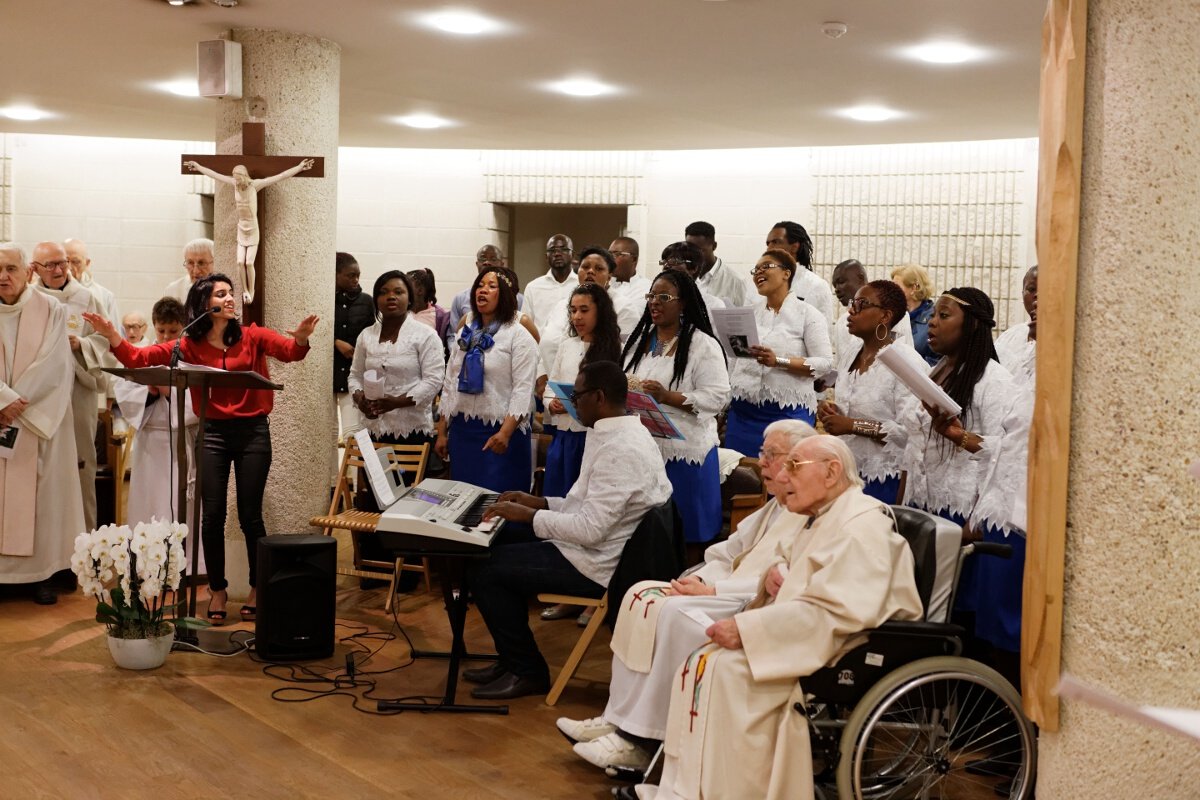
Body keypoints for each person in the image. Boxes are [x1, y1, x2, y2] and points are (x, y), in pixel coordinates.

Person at [638, 435, 923, 800]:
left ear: (832, 471)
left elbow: (835, 612)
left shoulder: (860, 527)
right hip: (805, 633)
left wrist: (748, 629)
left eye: (793, 466)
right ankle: (687, 788)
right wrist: (776, 572)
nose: (784, 477)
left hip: (848, 645)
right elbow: (794, 566)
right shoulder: (826, 515)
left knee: (727, 671)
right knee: (707, 660)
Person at [559, 420, 816, 772]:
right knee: (639, 595)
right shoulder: (775, 505)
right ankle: (617, 717)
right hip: (721, 587)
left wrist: (712, 589)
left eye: (773, 455)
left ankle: (643, 741)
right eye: (763, 453)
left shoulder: (808, 512)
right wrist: (696, 579)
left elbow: (785, 580)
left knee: (673, 615)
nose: (763, 464)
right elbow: (729, 551)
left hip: (747, 602)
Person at [84, 273, 318, 624]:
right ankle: (218, 590)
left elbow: (289, 352)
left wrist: (299, 339)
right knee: (211, 516)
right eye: (221, 294)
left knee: (250, 514)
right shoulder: (187, 347)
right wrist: (113, 336)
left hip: (253, 432)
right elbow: (137, 358)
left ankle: (257, 587)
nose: (230, 299)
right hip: (213, 433)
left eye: (230, 293)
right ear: (204, 304)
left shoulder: (252, 336)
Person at [465, 361, 673, 700]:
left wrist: (528, 517)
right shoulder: (615, 431)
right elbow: (584, 505)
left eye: (577, 395)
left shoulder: (623, 449)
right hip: (595, 545)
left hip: (601, 564)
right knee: (492, 540)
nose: (573, 401)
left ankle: (527, 670)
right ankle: (510, 657)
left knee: (488, 569)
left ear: (600, 397)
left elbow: (590, 530)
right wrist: (539, 503)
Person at [0, 243, 83, 606]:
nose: (3, 277)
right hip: (5, 418)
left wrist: (16, 405)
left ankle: (42, 575)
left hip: (38, 423)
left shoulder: (50, 308)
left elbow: (57, 365)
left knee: (43, 501)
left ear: (27, 272)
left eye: (11, 269)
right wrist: (2, 401)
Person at [623, 271, 730, 545]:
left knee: (682, 536)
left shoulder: (702, 345)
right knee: (645, 538)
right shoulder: (638, 341)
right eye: (651, 296)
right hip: (643, 450)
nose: (654, 303)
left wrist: (666, 396)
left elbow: (718, 397)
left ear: (682, 303)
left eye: (664, 297)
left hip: (685, 454)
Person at [31, 241, 115, 534]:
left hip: (79, 390)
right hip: (40, 396)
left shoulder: (87, 298)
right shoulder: (30, 299)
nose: (59, 270)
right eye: (50, 265)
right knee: (44, 471)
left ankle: (85, 549)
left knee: (82, 467)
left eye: (63, 263)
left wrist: (82, 344)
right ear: (35, 269)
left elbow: (106, 339)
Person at [435, 267, 539, 494]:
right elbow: (450, 380)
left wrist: (505, 433)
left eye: (492, 286)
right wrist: (442, 431)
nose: (483, 290)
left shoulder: (518, 334)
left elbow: (523, 389)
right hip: (464, 430)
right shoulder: (466, 331)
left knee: (498, 503)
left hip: (501, 432)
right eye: (480, 285)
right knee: (464, 500)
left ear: (505, 295)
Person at [817, 280, 918, 503]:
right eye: (853, 303)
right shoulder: (852, 352)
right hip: (847, 472)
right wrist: (832, 411)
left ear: (885, 316)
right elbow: (851, 408)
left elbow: (911, 434)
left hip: (885, 479)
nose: (851, 310)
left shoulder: (905, 362)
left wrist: (852, 425)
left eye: (862, 304)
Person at [725, 249, 832, 458]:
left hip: (787, 414)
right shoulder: (747, 314)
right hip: (742, 414)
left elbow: (825, 363)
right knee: (742, 478)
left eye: (766, 267)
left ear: (786, 273)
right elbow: (733, 362)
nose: (758, 273)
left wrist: (778, 361)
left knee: (785, 478)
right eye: (755, 270)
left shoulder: (808, 314)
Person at [113, 298, 199, 537]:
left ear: (184, 328)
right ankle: (145, 558)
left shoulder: (193, 358)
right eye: (161, 331)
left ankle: (183, 560)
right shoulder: (141, 355)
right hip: (150, 440)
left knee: (178, 503)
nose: (166, 337)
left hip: (181, 441)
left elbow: (199, 404)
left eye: (173, 331)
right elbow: (123, 392)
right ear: (153, 326)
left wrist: (167, 390)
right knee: (148, 501)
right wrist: (150, 392)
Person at [183, 159, 315, 304]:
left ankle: (250, 291)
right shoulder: (234, 184)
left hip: (252, 229)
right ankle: (245, 290)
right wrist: (198, 167)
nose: (237, 181)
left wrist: (299, 167)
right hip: (241, 228)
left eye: (238, 178)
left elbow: (281, 175)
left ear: (244, 176)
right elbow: (215, 174)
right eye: (235, 179)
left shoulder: (255, 185)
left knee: (249, 263)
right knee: (240, 262)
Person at [539, 281, 623, 498]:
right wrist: (552, 403)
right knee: (557, 494)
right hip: (563, 435)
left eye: (584, 310)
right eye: (573, 310)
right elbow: (551, 384)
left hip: (592, 437)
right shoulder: (567, 345)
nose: (577, 317)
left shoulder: (614, 350)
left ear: (601, 312)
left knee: (582, 497)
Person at [348, 270, 444, 452]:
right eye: (383, 292)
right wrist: (360, 398)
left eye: (398, 292)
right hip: (372, 429)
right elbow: (355, 375)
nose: (391, 297)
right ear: (376, 299)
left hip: (411, 430)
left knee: (409, 482)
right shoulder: (366, 336)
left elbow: (434, 380)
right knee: (372, 480)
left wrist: (397, 402)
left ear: (409, 299)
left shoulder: (425, 335)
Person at [537, 246, 632, 379]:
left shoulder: (624, 307)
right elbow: (545, 342)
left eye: (598, 268)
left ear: (610, 276)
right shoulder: (561, 305)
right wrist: (541, 376)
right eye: (585, 267)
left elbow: (626, 355)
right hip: (554, 385)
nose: (590, 272)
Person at [829, 258, 912, 359]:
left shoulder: (892, 312)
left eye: (841, 282)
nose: (837, 289)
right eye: (835, 286)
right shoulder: (841, 323)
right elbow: (842, 366)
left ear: (861, 277)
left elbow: (907, 356)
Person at [333, 252, 374, 447]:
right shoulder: (325, 300)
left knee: (353, 434)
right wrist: (335, 342)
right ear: (336, 274)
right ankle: (333, 478)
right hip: (329, 376)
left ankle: (353, 478)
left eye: (358, 275)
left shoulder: (366, 301)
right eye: (350, 275)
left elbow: (372, 334)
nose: (356, 280)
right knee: (329, 435)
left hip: (353, 376)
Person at [446, 245, 527, 337]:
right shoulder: (464, 310)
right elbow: (454, 337)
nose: (487, 262)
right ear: (477, 264)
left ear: (502, 264)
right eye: (483, 258)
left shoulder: (519, 301)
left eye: (493, 259)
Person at [765, 221, 836, 327]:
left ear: (794, 246)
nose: (769, 248)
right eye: (768, 243)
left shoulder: (816, 286)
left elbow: (824, 335)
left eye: (776, 242)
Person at [683, 221, 751, 307]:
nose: (693, 255)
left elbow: (743, 318)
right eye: (690, 249)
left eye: (700, 250)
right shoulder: (682, 276)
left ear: (714, 246)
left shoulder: (736, 280)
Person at [657, 242, 726, 320]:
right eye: (664, 262)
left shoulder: (713, 305)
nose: (666, 266)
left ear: (694, 268)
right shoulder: (656, 300)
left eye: (673, 261)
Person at [994, 265, 1038, 386]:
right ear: (1022, 293)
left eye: (1046, 288)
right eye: (1032, 289)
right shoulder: (1009, 336)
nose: (1037, 295)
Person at [524, 233, 577, 329]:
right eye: (552, 250)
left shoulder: (581, 284)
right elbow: (526, 327)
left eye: (563, 249)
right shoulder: (533, 287)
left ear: (572, 255)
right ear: (546, 257)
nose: (557, 254)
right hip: (541, 344)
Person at [64, 238, 120, 329]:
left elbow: (114, 336)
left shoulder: (105, 297)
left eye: (76, 262)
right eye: (65, 261)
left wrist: (82, 343)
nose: (69, 268)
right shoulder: (47, 292)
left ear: (87, 263)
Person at [891, 262, 938, 366]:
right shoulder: (893, 315)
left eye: (896, 286)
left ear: (914, 288)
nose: (891, 291)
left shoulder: (935, 318)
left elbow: (937, 361)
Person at [607, 237, 652, 335]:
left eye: (617, 254)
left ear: (634, 259)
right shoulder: (604, 285)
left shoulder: (648, 288)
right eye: (609, 254)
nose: (610, 259)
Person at [406, 268, 451, 345]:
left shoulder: (440, 316)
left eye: (407, 286)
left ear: (420, 290)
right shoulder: (401, 312)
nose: (403, 290)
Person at [164, 238, 215, 304]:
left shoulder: (226, 290)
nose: (196, 271)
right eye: (190, 263)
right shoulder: (173, 291)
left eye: (201, 263)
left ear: (214, 263)